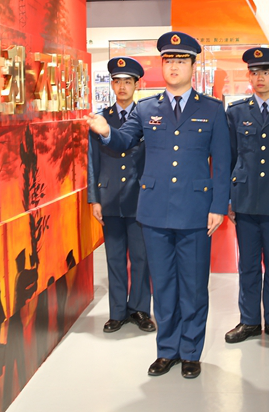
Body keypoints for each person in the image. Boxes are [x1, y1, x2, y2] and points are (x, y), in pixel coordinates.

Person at [88, 31, 230, 380]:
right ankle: (167, 350)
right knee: (163, 285)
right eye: (168, 60)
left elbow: (223, 162)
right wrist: (106, 132)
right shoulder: (146, 108)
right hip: (154, 212)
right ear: (161, 66)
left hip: (195, 211)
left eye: (180, 60)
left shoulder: (211, 109)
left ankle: (191, 351)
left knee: (193, 287)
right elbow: (124, 140)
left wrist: (218, 206)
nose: (173, 66)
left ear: (193, 66)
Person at [224, 47, 269, 347]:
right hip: (246, 201)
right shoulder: (236, 112)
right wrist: (228, 199)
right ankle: (250, 320)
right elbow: (229, 159)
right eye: (254, 73)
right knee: (248, 265)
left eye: (266, 72)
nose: (260, 78)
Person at [88, 57, 155, 334]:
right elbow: (92, 161)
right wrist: (94, 198)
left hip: (140, 198)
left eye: (128, 81)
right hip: (110, 197)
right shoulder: (101, 119)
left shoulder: (148, 117)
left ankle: (140, 309)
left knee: (141, 257)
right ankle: (117, 312)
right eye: (118, 81)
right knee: (114, 257)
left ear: (137, 85)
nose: (123, 86)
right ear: (112, 85)